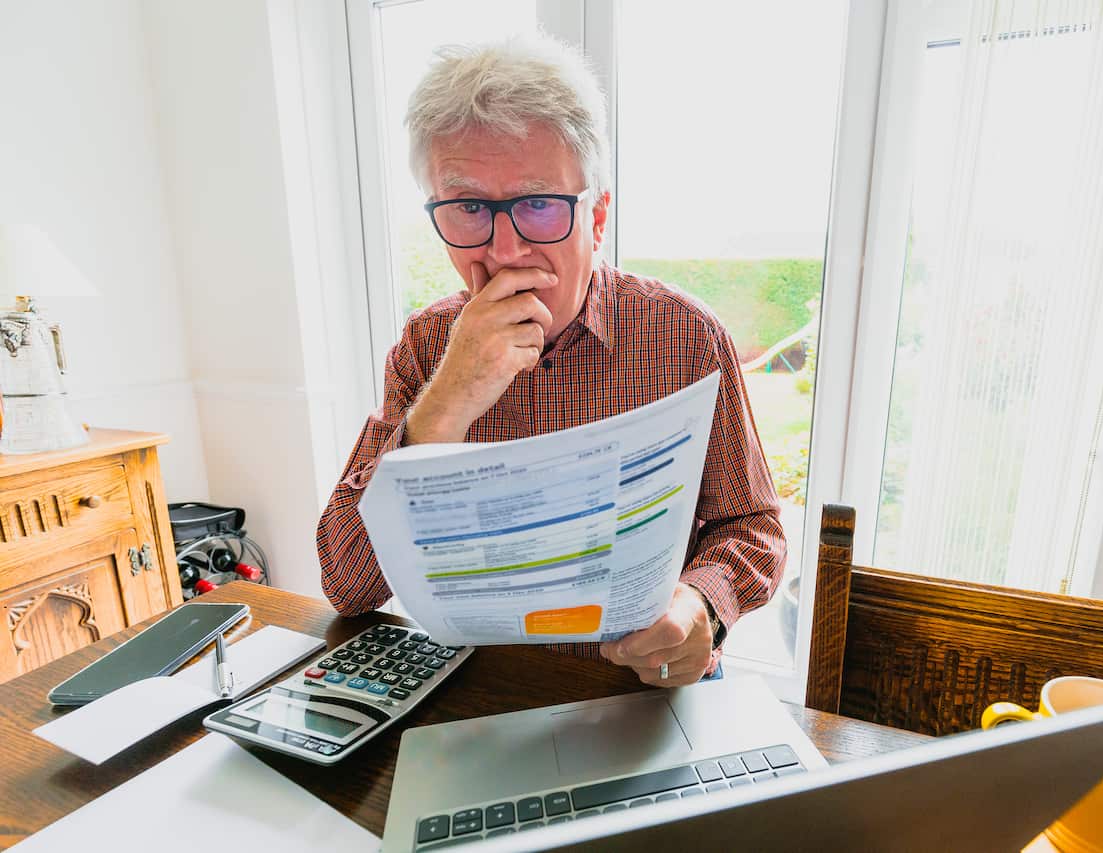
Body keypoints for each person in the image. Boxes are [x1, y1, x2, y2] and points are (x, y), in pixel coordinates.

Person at [317, 34, 785, 687]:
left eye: (538, 205)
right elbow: (346, 585)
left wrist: (701, 602)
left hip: (640, 689)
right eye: (470, 207)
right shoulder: (426, 348)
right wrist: (446, 401)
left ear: (596, 217)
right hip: (478, 690)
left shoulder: (687, 337)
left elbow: (753, 523)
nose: (506, 249)